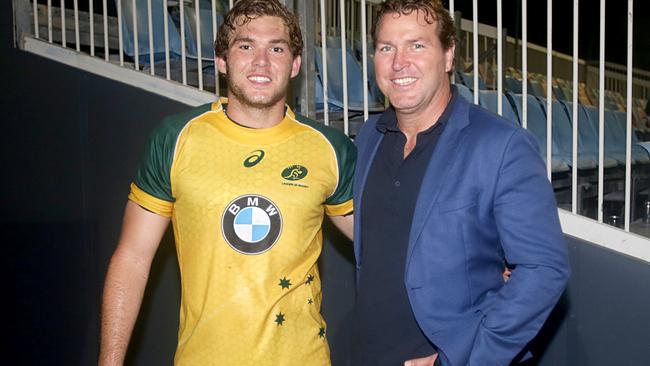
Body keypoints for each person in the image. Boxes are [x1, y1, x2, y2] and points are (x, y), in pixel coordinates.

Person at [98, 1, 355, 365]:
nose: (262, 62)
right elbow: (132, 259)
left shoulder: (330, 148)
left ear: (296, 65)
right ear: (222, 60)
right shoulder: (175, 137)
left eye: (277, 48)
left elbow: (386, 251)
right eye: (246, 46)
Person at [351, 1, 570, 365]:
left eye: (417, 45)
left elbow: (544, 269)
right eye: (386, 47)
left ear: (449, 55)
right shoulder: (369, 137)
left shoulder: (501, 144)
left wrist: (459, 358)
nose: (398, 62)